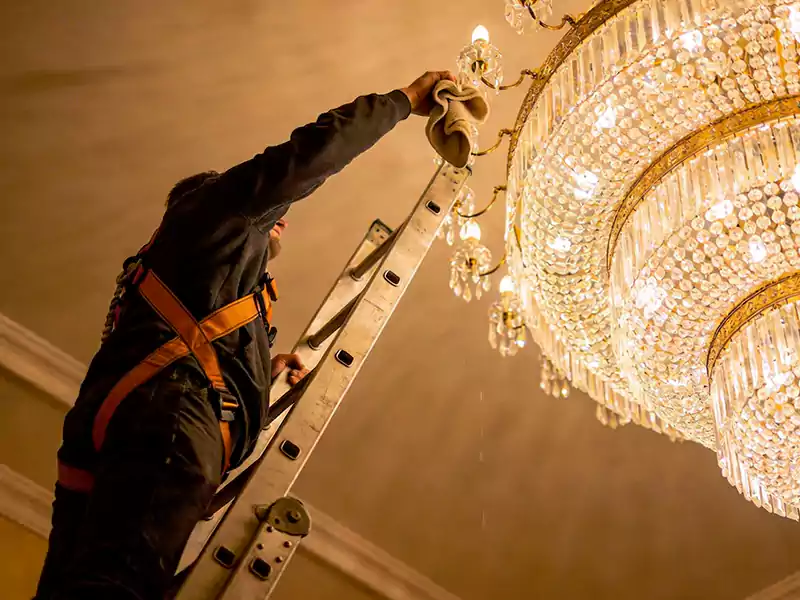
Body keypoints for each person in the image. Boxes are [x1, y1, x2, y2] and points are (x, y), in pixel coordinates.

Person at [35, 69, 456, 600]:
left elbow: (195, 337)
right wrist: (403, 100)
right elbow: (307, 158)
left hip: (113, 429)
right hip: (170, 415)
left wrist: (263, 374)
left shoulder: (181, 275)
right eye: (264, 215)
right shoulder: (215, 210)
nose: (277, 219)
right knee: (119, 585)